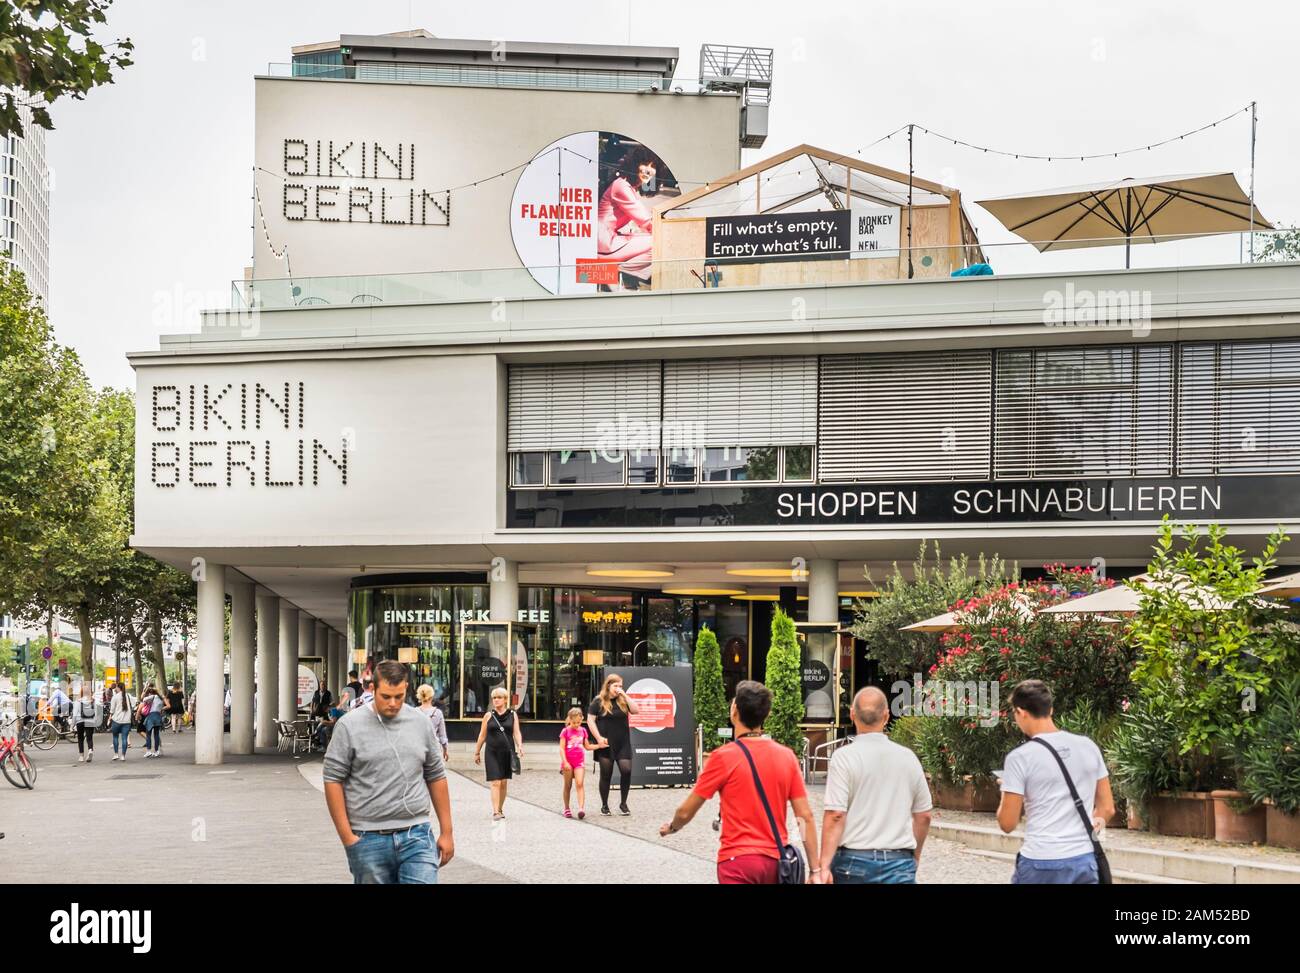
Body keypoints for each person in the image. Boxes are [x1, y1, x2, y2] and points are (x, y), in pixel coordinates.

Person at [660, 680, 820, 884]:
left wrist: (673, 827)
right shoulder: (786, 757)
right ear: (767, 714)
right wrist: (815, 868)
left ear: (734, 711)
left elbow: (686, 811)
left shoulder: (722, 757)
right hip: (775, 862)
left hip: (737, 862)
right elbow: (804, 816)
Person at [322, 661, 454, 884]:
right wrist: (347, 837)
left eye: (399, 696)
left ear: (406, 689)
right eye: (386, 696)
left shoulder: (421, 723)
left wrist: (447, 832)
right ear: (372, 688)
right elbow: (333, 778)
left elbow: (436, 775)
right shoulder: (349, 726)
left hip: (417, 834)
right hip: (367, 837)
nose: (393, 703)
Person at [997, 679, 1115, 885]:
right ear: (1050, 709)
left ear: (1021, 712)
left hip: (1040, 861)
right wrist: (1085, 832)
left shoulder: (1020, 758)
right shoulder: (1088, 746)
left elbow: (1007, 823)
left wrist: (1006, 789)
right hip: (1084, 859)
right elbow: (1107, 808)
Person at [815, 687, 932, 885]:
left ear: (852, 715)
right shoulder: (908, 758)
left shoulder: (844, 757)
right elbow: (924, 815)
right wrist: (914, 856)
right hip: (899, 861)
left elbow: (836, 814)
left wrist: (823, 866)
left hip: (853, 861)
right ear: (886, 716)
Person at [587, 672, 640, 816]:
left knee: (626, 770)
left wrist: (625, 695)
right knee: (606, 774)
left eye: (620, 685)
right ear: (608, 685)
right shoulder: (598, 701)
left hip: (623, 742)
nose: (618, 688)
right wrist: (598, 738)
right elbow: (590, 720)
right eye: (616, 685)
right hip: (606, 742)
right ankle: (604, 805)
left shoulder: (623, 701)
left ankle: (623, 803)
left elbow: (636, 710)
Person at [473, 686, 523, 820]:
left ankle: (500, 808)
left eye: (499, 697)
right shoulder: (488, 716)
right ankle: (495, 811)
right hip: (491, 752)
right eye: (494, 698)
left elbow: (516, 732)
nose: (496, 700)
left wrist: (520, 745)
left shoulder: (513, 715)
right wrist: (477, 751)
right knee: (495, 782)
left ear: (505, 699)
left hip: (507, 751)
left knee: (503, 782)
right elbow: (482, 735)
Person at [559, 706, 604, 819]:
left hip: (579, 762)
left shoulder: (583, 731)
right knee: (568, 786)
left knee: (579, 783)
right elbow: (561, 748)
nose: (576, 725)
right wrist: (565, 762)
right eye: (574, 722)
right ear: (569, 719)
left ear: (582, 719)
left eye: (579, 722)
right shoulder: (565, 731)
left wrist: (599, 746)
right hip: (568, 762)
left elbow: (587, 746)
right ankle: (567, 808)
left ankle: (581, 808)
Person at [415, 685, 449, 764]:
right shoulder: (438, 713)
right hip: (434, 749)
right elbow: (442, 736)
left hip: (418, 750)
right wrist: (445, 750)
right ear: (432, 696)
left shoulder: (414, 712)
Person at [70, 686, 102, 764]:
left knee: (80, 738)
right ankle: (90, 749)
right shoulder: (93, 701)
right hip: (90, 721)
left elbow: (75, 714)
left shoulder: (78, 701)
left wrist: (72, 725)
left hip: (80, 721)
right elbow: (96, 712)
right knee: (89, 738)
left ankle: (81, 756)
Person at [108, 683, 134, 761]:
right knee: (124, 738)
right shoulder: (129, 696)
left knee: (115, 737)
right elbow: (133, 705)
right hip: (127, 721)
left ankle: (116, 754)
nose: (115, 689)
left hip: (116, 720)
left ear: (118, 688)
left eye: (116, 687)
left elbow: (112, 710)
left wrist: (109, 718)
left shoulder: (115, 697)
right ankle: (123, 756)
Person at [139, 683, 165, 758]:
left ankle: (148, 751)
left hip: (151, 717)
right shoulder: (160, 698)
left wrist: (145, 690)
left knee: (148, 734)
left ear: (151, 693)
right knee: (156, 735)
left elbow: (142, 699)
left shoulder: (152, 697)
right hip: (158, 716)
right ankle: (156, 751)